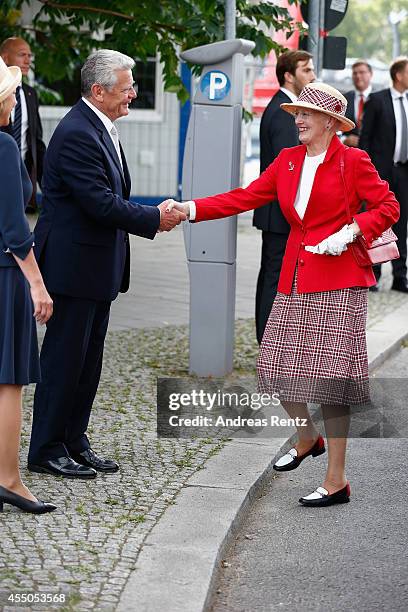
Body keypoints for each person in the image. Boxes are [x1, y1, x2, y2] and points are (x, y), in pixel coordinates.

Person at [166, 83, 399, 507]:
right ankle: (309, 437)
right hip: (295, 277)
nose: (298, 119)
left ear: (330, 121)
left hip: (340, 280)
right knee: (275, 366)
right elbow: (245, 197)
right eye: (296, 113)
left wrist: (350, 232)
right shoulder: (287, 161)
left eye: (307, 113)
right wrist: (190, 209)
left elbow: (388, 207)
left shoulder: (353, 160)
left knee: (332, 383)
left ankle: (336, 480)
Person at [27, 49, 186, 479]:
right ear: (98, 90)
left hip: (96, 269)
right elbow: (99, 203)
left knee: (88, 363)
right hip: (72, 268)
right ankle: (45, 448)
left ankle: (74, 440)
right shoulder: (78, 131)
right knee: (64, 363)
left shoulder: (103, 126)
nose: (133, 93)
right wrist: (154, 218)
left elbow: (108, 198)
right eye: (127, 86)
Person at [0, 57, 55, 514]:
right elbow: (16, 230)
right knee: (9, 381)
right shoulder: (0, 147)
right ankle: (10, 480)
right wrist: (38, 284)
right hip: (4, 278)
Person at [254, 50, 315, 344]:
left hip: (279, 210)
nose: (312, 76)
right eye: (307, 70)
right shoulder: (282, 111)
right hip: (279, 211)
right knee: (274, 276)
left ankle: (270, 339)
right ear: (289, 75)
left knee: (274, 274)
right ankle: (267, 341)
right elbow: (287, 168)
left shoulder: (286, 108)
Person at [360, 57, 408, 292]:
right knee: (377, 224)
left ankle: (400, 276)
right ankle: (374, 274)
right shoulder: (377, 101)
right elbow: (365, 139)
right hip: (381, 173)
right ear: (398, 75)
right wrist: (368, 174)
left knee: (402, 224)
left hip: (405, 172)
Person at [0, 37, 46, 214]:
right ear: (5, 59)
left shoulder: (30, 93)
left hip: (24, 177)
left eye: (29, 55)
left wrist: (47, 185)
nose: (28, 60)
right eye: (22, 55)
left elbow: (36, 141)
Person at [343, 60, 373, 148]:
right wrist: (344, 139)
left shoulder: (380, 99)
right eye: (355, 73)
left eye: (362, 72)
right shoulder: (344, 99)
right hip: (349, 151)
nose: (358, 76)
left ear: (371, 74)